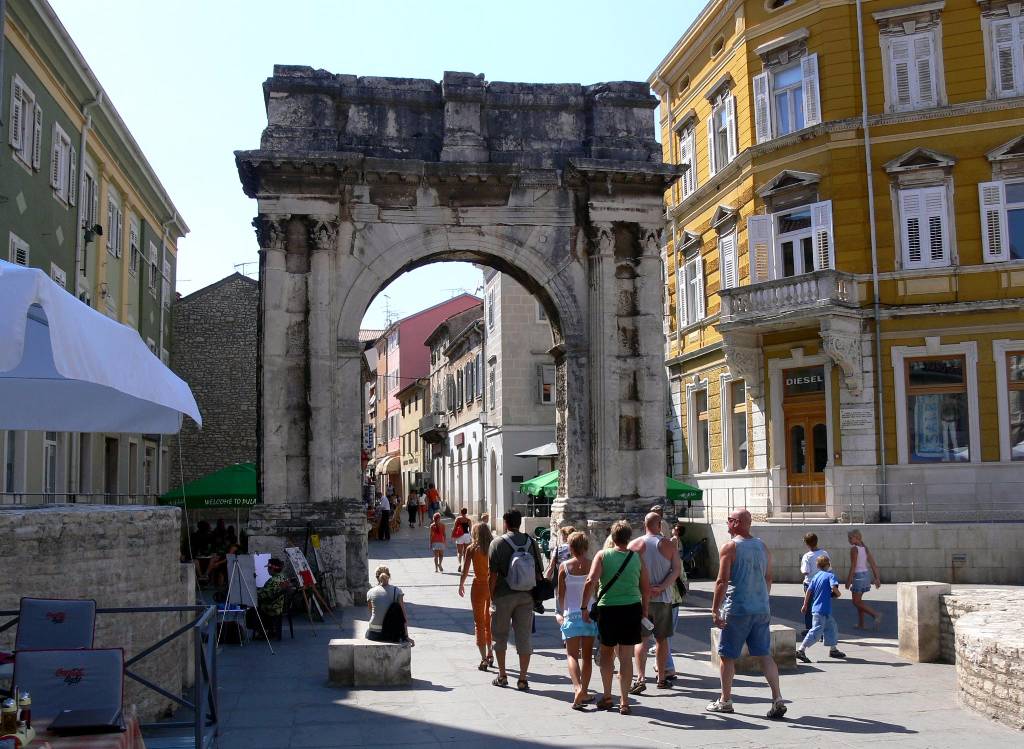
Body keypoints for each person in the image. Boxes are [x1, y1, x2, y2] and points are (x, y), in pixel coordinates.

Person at [707, 508, 787, 720]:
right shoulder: (762, 546)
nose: (727, 523)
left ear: (735, 523)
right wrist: (762, 598)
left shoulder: (730, 547)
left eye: (729, 520)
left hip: (737, 609)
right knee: (764, 654)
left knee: (727, 655)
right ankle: (777, 697)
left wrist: (715, 609)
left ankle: (725, 700)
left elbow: (722, 581)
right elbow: (769, 577)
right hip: (761, 608)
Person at [581, 520, 650, 715]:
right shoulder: (637, 558)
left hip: (608, 609)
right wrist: (644, 611)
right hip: (631, 608)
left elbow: (590, 580)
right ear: (629, 537)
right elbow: (646, 587)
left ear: (612, 536)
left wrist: (583, 606)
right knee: (626, 657)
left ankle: (608, 695)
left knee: (606, 654)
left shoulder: (602, 555)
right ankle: (625, 702)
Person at [488, 509, 545, 691]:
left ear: (505, 522)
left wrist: (490, 598)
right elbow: (538, 572)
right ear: (520, 522)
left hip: (503, 595)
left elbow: (493, 575)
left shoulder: (497, 543)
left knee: (500, 635)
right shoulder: (531, 542)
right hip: (526, 596)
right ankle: (522, 678)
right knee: (524, 636)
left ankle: (503, 675)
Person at [629, 512, 681, 693]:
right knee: (661, 639)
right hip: (662, 599)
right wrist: (661, 586)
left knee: (641, 639)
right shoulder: (667, 544)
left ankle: (640, 677)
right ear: (659, 525)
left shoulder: (634, 545)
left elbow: (629, 572)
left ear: (644, 524)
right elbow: (676, 570)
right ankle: (661, 678)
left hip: (640, 599)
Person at [556, 531, 598, 710]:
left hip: (570, 615)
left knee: (572, 654)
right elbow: (597, 590)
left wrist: (560, 613)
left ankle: (577, 688)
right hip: (589, 614)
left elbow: (560, 595)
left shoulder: (564, 567)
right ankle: (585, 690)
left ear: (570, 547)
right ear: (586, 547)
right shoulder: (593, 565)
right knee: (587, 656)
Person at [459, 522, 494, 670]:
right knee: (489, 621)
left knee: (479, 622)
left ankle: (483, 658)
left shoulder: (472, 549)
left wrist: (461, 584)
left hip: (478, 586)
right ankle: (491, 652)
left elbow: (465, 570)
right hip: (492, 586)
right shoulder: (494, 547)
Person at [796, 555, 845, 662]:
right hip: (822, 610)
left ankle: (833, 649)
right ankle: (801, 650)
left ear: (817, 566)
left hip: (819, 609)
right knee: (816, 631)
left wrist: (805, 605)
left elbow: (808, 591)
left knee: (831, 627)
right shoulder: (830, 575)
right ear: (828, 565)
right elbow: (833, 587)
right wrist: (838, 593)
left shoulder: (816, 576)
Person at [366, 565, 414, 644]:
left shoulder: (370, 592)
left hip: (373, 633)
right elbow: (403, 616)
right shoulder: (397, 591)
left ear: (377, 577)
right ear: (389, 576)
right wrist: (406, 636)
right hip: (389, 633)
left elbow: (372, 613)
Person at [845, 529, 882, 630]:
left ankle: (875, 614)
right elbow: (873, 564)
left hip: (858, 576)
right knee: (859, 601)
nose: (848, 539)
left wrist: (848, 581)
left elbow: (853, 566)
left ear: (857, 537)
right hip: (866, 575)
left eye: (850, 537)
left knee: (856, 602)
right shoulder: (865, 548)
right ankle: (861, 624)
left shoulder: (854, 549)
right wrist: (877, 578)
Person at [799, 533, 830, 637]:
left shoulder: (807, 556)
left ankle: (809, 628)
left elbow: (805, 571)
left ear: (807, 544)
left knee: (808, 606)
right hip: (823, 584)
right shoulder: (824, 553)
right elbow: (829, 568)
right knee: (820, 607)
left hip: (810, 584)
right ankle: (821, 629)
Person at [256, 558, 292, 639]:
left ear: (272, 569)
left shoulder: (272, 580)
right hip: (281, 606)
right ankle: (270, 630)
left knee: (253, 610)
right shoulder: (283, 577)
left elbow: (264, 595)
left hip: (272, 607)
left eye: (268, 568)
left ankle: (263, 632)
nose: (267, 570)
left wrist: (254, 591)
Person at [453, 508, 473, 572]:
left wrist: (453, 536)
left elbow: (455, 528)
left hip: (460, 536)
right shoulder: (468, 520)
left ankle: (459, 564)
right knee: (465, 551)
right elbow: (470, 530)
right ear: (466, 512)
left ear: (461, 512)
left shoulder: (458, 519)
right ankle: (465, 565)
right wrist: (471, 537)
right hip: (466, 535)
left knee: (459, 552)